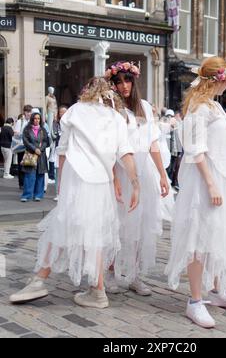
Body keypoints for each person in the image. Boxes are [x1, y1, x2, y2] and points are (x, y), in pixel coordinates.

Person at [10, 77, 139, 309]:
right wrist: (135, 184)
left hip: (77, 177)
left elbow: (63, 149)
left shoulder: (75, 111)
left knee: (63, 224)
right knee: (95, 233)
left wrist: (59, 182)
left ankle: (40, 279)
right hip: (101, 183)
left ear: (87, 91)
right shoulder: (117, 119)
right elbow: (126, 154)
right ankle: (97, 291)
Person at [166, 58, 226, 330]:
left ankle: (217, 289)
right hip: (205, 180)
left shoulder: (214, 105)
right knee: (198, 237)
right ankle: (195, 301)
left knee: (219, 234)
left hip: (221, 175)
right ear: (218, 79)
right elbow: (195, 149)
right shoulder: (199, 108)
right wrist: (211, 184)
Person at [105, 62, 169, 296]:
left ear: (134, 81)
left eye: (127, 80)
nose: (124, 86)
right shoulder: (112, 108)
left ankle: (135, 275)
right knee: (118, 223)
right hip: (122, 168)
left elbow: (153, 142)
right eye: (118, 81)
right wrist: (114, 177)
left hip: (145, 170)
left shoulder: (144, 107)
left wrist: (162, 174)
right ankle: (110, 272)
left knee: (142, 226)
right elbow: (110, 146)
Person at [20, 112, 49, 202]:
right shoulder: (27, 129)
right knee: (29, 176)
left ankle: (38, 195)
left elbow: (46, 141)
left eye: (38, 119)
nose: (37, 120)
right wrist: (34, 149)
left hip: (41, 155)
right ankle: (27, 195)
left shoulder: (43, 129)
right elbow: (26, 141)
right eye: (35, 118)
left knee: (40, 175)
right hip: (31, 154)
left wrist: (40, 149)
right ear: (32, 119)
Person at [51, 105, 68, 201]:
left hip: (68, 151)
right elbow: (53, 135)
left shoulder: (70, 124)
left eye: (65, 112)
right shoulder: (56, 123)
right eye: (61, 112)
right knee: (58, 172)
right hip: (58, 150)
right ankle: (58, 193)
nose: (63, 114)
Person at [14, 105, 33, 189]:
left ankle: (27, 183)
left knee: (28, 165)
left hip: (29, 147)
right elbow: (16, 133)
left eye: (30, 112)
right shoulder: (20, 121)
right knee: (21, 165)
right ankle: (21, 183)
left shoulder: (32, 122)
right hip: (21, 147)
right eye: (27, 111)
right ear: (24, 112)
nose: (29, 113)